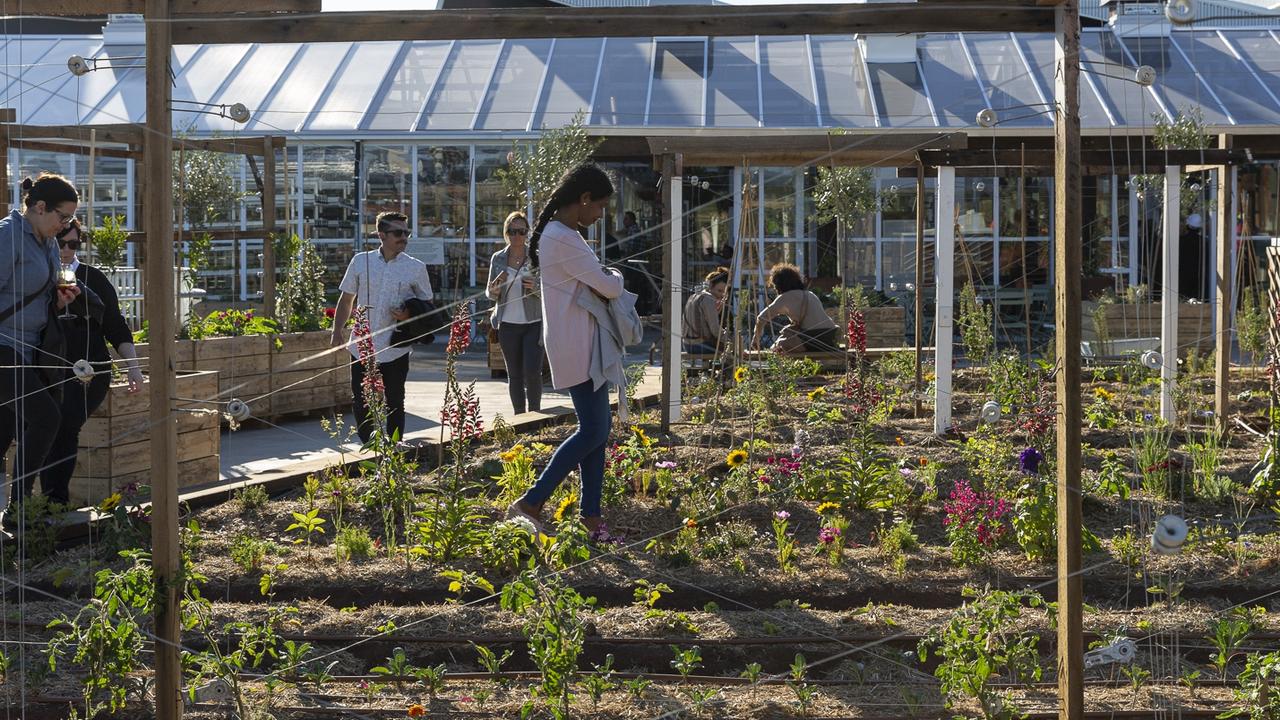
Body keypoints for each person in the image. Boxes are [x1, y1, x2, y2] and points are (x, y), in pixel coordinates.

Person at [505, 163, 623, 539]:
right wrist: (617, 276)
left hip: (581, 342)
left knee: (596, 431)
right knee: (593, 430)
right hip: (578, 344)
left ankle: (590, 517)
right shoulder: (563, 237)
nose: (601, 214)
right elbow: (609, 286)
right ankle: (531, 501)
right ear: (584, 199)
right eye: (600, 206)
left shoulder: (561, 233)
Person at [40, 219, 145, 507]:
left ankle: (55, 501)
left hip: (89, 370)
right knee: (43, 427)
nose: (65, 249)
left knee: (65, 424)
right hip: (46, 368)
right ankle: (38, 503)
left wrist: (133, 367)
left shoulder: (93, 279)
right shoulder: (39, 276)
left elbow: (116, 326)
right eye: (60, 243)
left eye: (72, 244)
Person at [0, 174, 82, 520]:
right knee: (47, 418)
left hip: (29, 347)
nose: (65, 226)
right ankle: (19, 509)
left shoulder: (46, 240)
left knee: (5, 430)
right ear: (39, 207)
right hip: (3, 345)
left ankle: (17, 510)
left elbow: (38, 293)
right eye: (62, 217)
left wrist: (60, 300)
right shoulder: (8, 236)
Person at [331, 211, 433, 444]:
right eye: (398, 233)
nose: (404, 237)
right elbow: (346, 300)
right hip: (361, 345)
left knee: (395, 399)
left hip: (395, 345)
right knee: (361, 398)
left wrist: (408, 313)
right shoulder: (360, 261)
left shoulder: (415, 267)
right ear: (381, 235)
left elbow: (427, 305)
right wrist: (337, 330)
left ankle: (395, 446)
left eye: (406, 233)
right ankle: (369, 445)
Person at [485, 211, 544, 415]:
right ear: (506, 233)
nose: (517, 236)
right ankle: (519, 416)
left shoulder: (536, 256)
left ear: (527, 233)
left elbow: (550, 289)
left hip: (533, 322)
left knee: (533, 372)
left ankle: (534, 416)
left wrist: (535, 287)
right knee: (515, 374)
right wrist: (493, 291)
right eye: (512, 231)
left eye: (521, 231)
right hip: (507, 324)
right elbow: (490, 292)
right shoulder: (498, 258)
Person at [751, 263, 838, 354]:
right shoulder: (810, 294)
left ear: (778, 285)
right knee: (788, 334)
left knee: (778, 348)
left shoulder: (784, 298)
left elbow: (761, 318)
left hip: (812, 339)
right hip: (830, 337)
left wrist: (756, 339)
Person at [683, 266, 730, 353]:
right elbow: (715, 330)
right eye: (719, 291)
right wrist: (732, 341)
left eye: (724, 292)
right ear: (711, 286)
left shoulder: (694, 296)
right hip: (699, 345)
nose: (722, 295)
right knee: (731, 353)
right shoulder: (709, 299)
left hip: (687, 344)